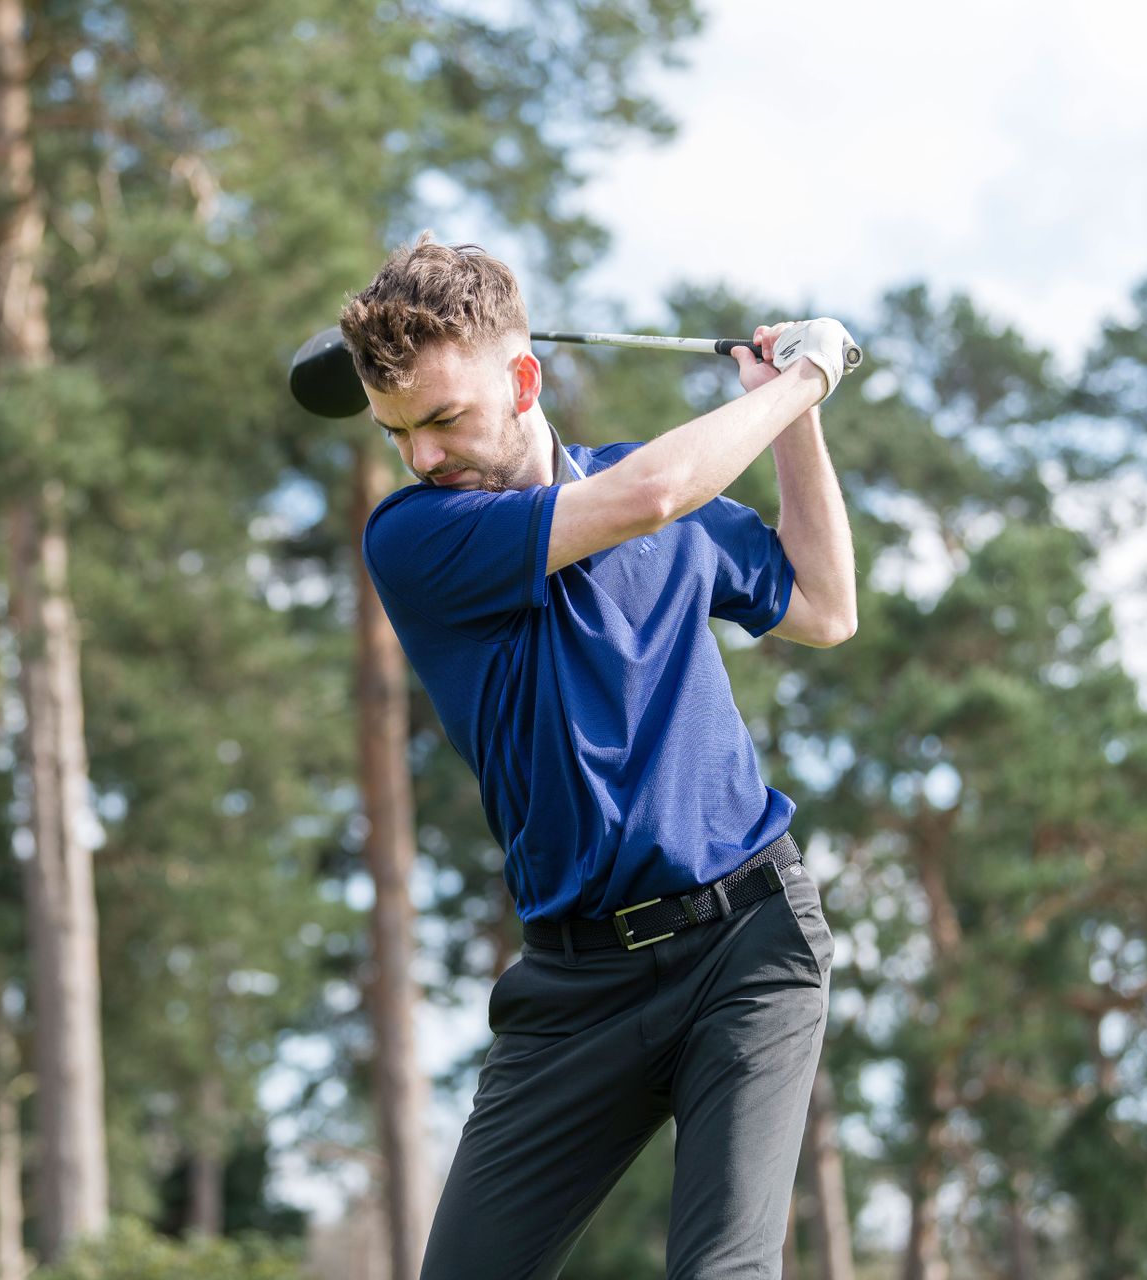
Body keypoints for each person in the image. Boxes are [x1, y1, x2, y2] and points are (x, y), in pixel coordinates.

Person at [340, 233, 857, 1280]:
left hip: (745, 945)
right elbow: (649, 496)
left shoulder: (657, 495)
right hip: (574, 988)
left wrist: (798, 418)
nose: (423, 456)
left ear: (522, 377)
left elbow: (825, 606)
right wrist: (809, 374)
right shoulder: (417, 537)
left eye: (443, 418)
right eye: (398, 431)